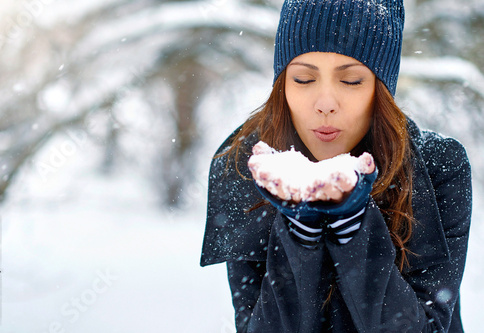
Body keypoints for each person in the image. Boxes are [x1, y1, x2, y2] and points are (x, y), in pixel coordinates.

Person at [200, 0, 472, 332]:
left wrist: (354, 226)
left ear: (380, 87)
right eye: (303, 78)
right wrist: (301, 231)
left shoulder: (437, 167)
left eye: (352, 80)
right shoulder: (246, 166)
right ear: (282, 83)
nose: (325, 104)